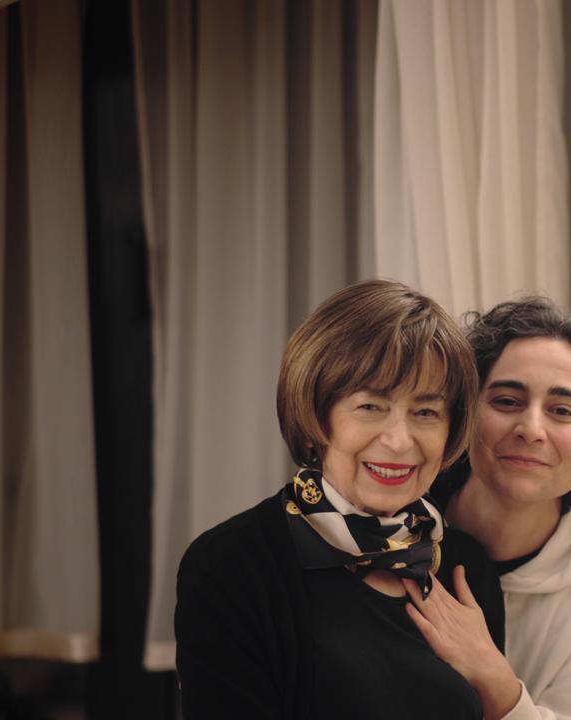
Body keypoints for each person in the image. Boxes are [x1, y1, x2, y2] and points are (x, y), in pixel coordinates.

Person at [175, 279, 505, 719]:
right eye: (370, 406)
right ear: (316, 414)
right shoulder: (231, 564)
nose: (399, 440)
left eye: (426, 412)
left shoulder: (466, 567)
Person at [403, 297, 571, 720]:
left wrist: (492, 675)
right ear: (465, 415)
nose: (531, 430)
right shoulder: (385, 531)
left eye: (561, 411)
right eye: (506, 401)